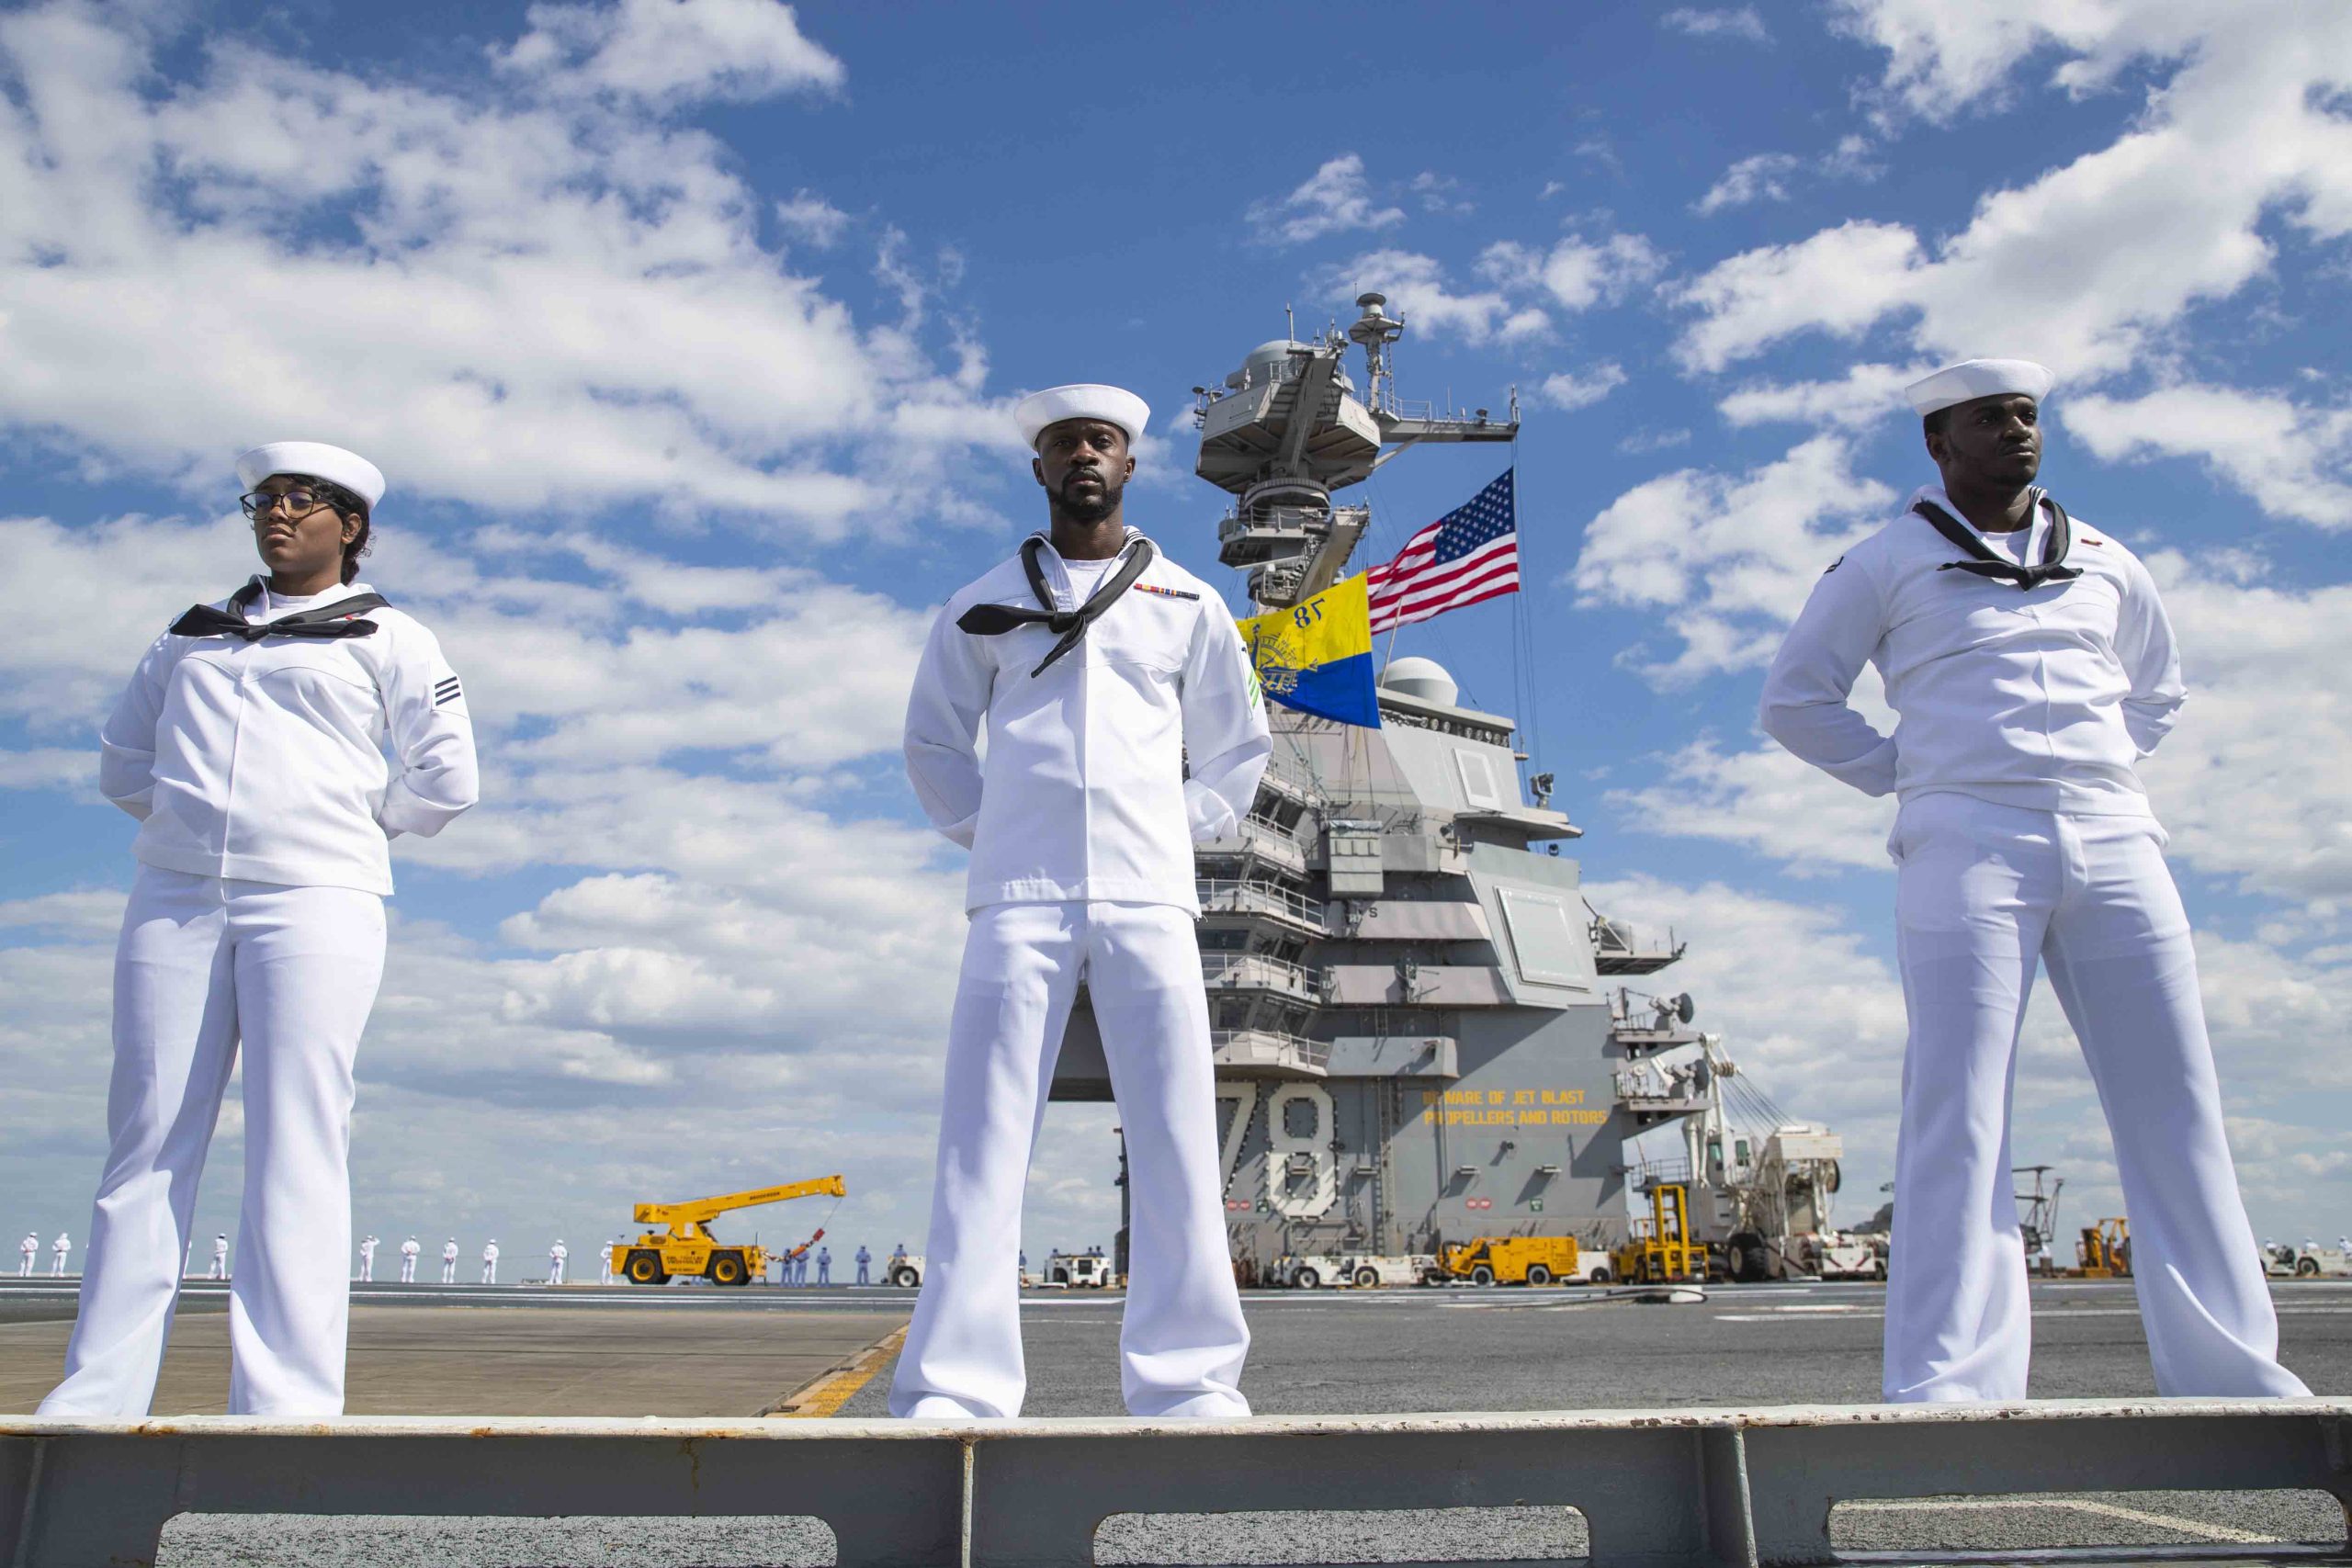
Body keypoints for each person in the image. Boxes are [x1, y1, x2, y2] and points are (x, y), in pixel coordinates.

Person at [1759, 359, 2306, 1403]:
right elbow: (1795, 700)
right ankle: (1953, 1381)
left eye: (2026, 416)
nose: (2016, 433)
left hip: (2114, 834)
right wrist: (1911, 775)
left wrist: (2091, 771)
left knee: (2178, 1101)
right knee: (1958, 1106)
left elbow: (2158, 689)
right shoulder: (1883, 561)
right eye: (1988, 419)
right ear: (1937, 442)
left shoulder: (2106, 558)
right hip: (1966, 840)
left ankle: (2232, 1373)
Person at [40, 443, 477, 1420]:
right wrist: (192, 828)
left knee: (297, 1140)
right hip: (177, 897)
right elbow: (124, 762)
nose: (277, 515)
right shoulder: (187, 637)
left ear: (350, 527)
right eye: (265, 501)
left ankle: (285, 1403)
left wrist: (336, 827)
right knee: (145, 1141)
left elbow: (447, 778)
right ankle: (97, 1397)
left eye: (302, 502)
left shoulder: (391, 637)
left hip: (317, 901)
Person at [891, 385, 1270, 1420]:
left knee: (1179, 1132)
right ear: (1040, 469)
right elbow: (932, 741)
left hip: (1150, 895)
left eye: (1100, 442)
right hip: (1017, 895)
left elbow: (1236, 750)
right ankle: (957, 1386)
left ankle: (1188, 1380)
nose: (1083, 458)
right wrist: (1000, 828)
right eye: (1064, 445)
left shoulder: (1190, 604)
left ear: (1129, 465)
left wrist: (1163, 830)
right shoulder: (978, 603)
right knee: (982, 1131)